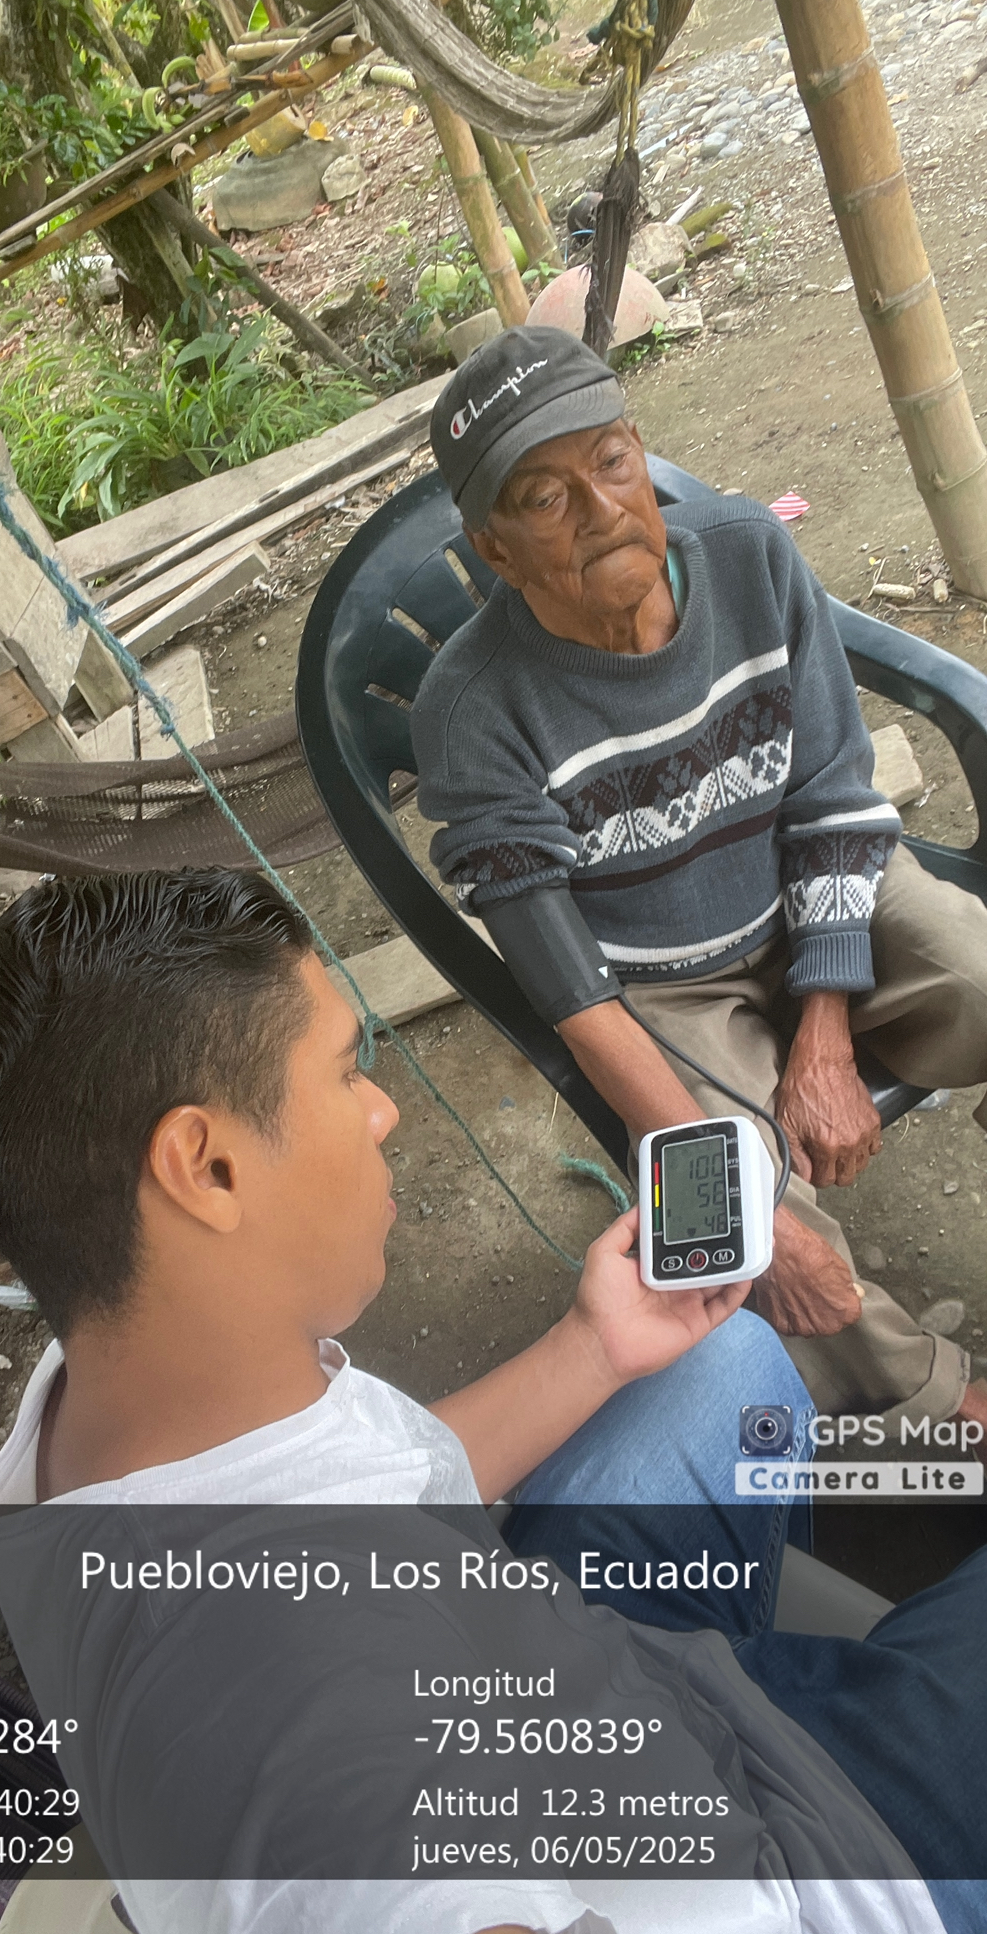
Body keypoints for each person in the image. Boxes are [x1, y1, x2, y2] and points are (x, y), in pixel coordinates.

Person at [0, 869, 983, 1934]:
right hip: (798, 1855)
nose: (384, 1111)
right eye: (345, 1072)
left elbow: (364, 1488)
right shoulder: (327, 1763)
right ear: (206, 1165)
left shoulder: (116, 1391)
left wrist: (593, 1347)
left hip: (571, 1680)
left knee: (725, 1359)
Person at [410, 323, 987, 1440]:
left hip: (810, 888)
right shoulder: (471, 712)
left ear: (640, 449)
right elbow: (574, 995)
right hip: (657, 988)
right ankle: (926, 1396)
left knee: (976, 969)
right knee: (728, 1224)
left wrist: (823, 1032)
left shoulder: (748, 555)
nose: (600, 509)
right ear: (494, 550)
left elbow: (830, 793)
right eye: (545, 497)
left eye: (611, 461)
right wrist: (763, 1222)